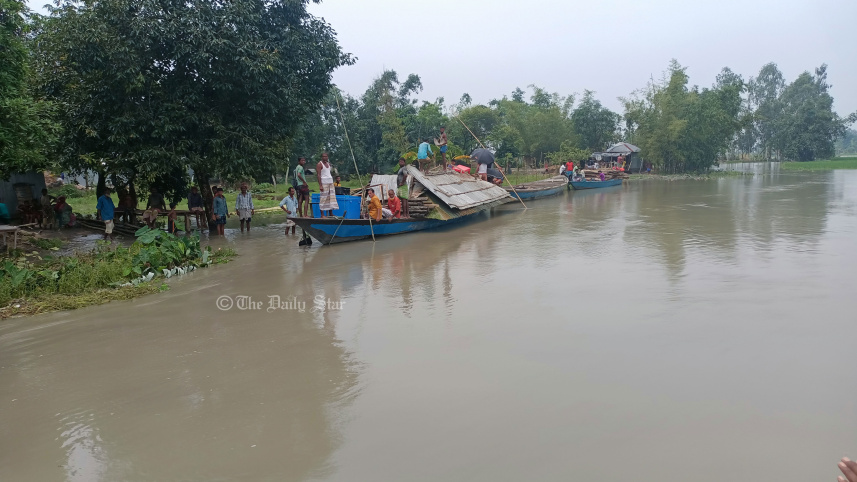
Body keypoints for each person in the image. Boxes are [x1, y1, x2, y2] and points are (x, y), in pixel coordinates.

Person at [316, 152, 338, 217]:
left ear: (327, 157)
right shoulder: (319, 164)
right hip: (324, 182)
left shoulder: (328, 164)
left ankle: (331, 212)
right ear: (321, 157)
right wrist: (320, 185)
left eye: (326, 156)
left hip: (330, 182)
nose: (325, 158)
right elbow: (318, 175)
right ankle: (322, 214)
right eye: (323, 156)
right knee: (323, 198)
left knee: (331, 197)